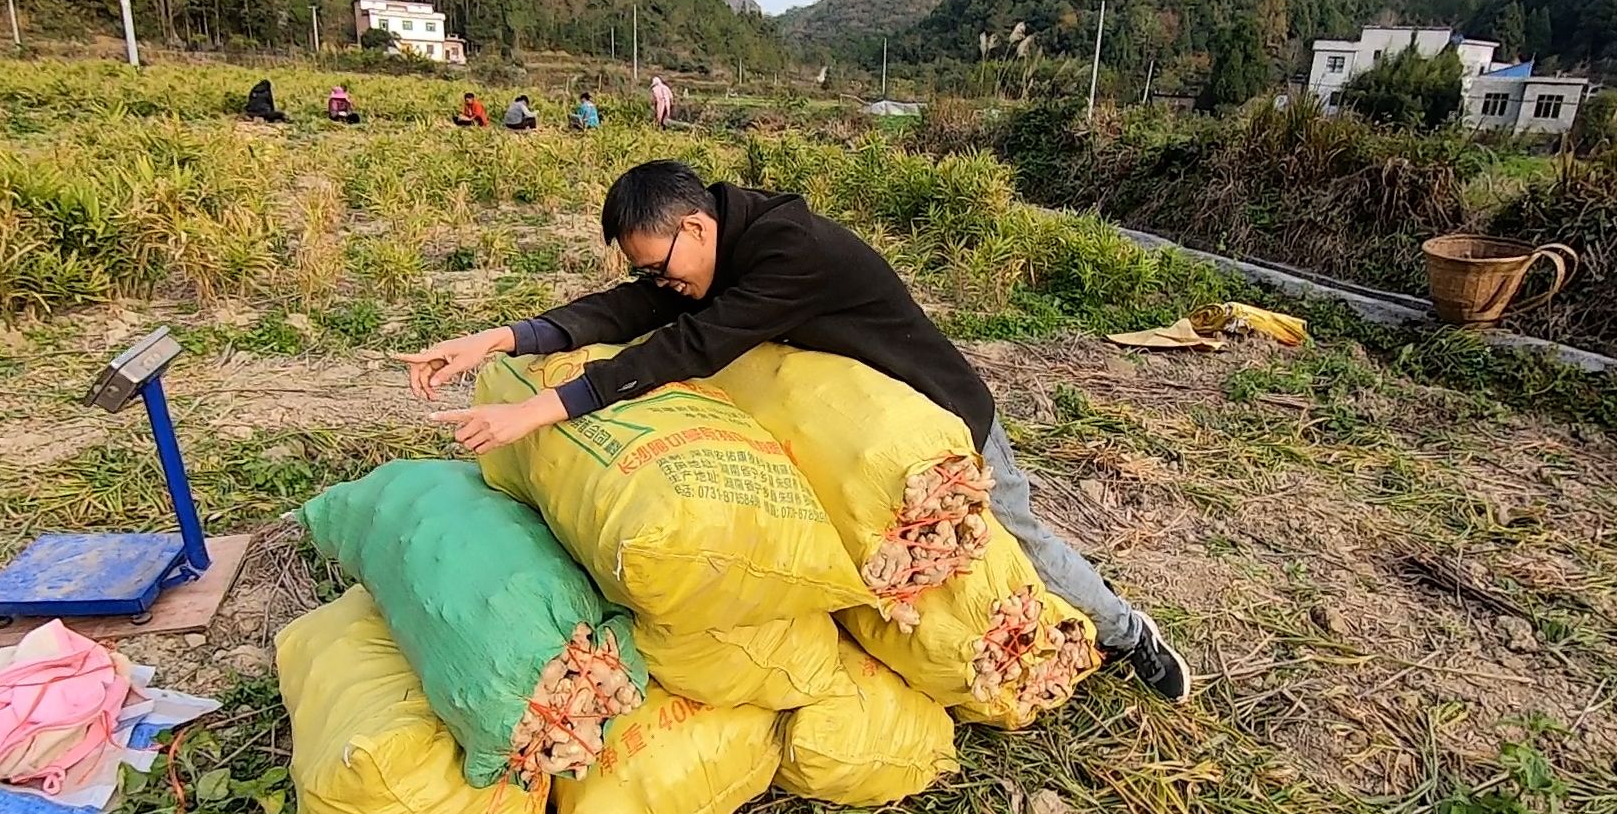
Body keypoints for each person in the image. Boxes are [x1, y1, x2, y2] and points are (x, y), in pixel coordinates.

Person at [395, 161, 1193, 702]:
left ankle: (1128, 635)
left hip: (941, 427)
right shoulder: (715, 251)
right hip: (857, 442)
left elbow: (688, 345)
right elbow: (632, 312)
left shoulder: (787, 251)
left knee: (1019, 539)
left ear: (698, 229)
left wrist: (533, 412)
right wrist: (500, 341)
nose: (657, 283)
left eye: (661, 264)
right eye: (645, 270)